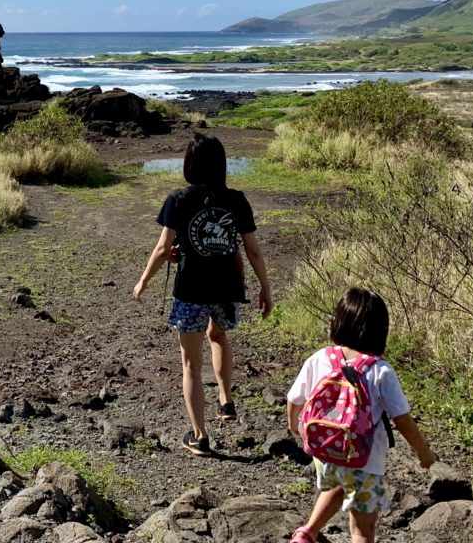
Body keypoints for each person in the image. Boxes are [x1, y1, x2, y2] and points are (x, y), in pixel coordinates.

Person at [133, 133, 272, 456]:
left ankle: (200, 436)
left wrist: (143, 281)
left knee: (190, 365)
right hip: (227, 288)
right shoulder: (237, 199)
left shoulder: (179, 199)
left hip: (191, 290)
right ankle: (225, 399)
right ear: (221, 165)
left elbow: (162, 247)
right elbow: (252, 251)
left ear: (189, 164)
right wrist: (266, 287)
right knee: (219, 336)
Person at [286, 287, 436, 543]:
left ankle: (307, 533)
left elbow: (293, 400)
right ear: (380, 330)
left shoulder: (320, 358)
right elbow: (403, 420)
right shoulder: (381, 371)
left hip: (325, 452)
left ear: (339, 321)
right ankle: (311, 531)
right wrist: (424, 452)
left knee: (338, 482)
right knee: (361, 531)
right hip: (365, 460)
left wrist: (296, 429)